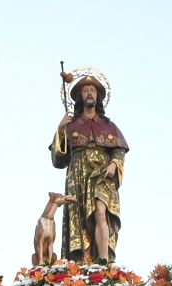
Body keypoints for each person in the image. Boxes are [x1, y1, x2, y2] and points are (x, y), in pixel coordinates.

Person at [50, 73, 126, 263]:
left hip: (103, 173)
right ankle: (83, 261)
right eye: (85, 90)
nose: (89, 93)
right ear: (80, 97)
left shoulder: (109, 126)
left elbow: (119, 151)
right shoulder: (71, 125)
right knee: (81, 217)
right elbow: (59, 161)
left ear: (98, 96)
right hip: (78, 173)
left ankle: (103, 262)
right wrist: (60, 130)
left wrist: (114, 164)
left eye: (92, 90)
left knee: (101, 211)